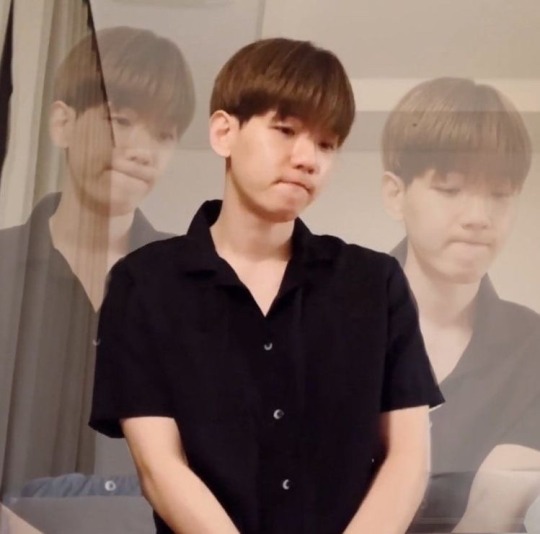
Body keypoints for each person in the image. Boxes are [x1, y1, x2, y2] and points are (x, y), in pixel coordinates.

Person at [90, 37, 443, 534]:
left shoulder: (374, 283)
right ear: (224, 132)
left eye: (326, 144)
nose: (308, 159)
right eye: (286, 130)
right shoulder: (145, 284)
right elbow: (159, 467)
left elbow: (408, 459)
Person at [0, 25, 195, 497]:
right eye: (121, 121)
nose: (142, 151)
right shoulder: (5, 263)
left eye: (164, 135)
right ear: (62, 123)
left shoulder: (197, 280)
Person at [380, 77, 540, 532]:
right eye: (450, 189)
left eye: (500, 194)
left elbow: (493, 511)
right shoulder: (327, 322)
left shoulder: (532, 347)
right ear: (395, 194)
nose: (478, 218)